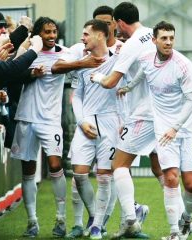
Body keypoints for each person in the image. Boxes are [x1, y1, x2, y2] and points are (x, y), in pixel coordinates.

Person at [89, 2, 170, 238]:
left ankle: (130, 220)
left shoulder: (131, 45)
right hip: (165, 113)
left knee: (119, 166)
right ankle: (183, 221)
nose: (117, 30)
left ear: (120, 22)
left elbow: (111, 81)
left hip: (144, 114)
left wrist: (96, 77)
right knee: (160, 168)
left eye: (116, 24)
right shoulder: (152, 35)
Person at [117, 21, 192, 240]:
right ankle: (175, 232)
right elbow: (143, 73)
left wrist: (176, 127)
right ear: (154, 40)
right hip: (163, 131)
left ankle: (187, 220)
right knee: (171, 178)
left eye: (171, 38)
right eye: (164, 38)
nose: (168, 42)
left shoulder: (184, 65)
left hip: (186, 129)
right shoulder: (146, 59)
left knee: (190, 185)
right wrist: (128, 87)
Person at [10, 17, 67, 238]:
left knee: (55, 165)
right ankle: (32, 222)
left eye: (54, 32)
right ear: (38, 34)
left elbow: (83, 61)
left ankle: (61, 219)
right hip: (26, 117)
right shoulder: (28, 53)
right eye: (47, 32)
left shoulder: (66, 53)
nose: (51, 36)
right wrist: (31, 74)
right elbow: (12, 75)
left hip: (50, 119)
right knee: (28, 170)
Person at [66, 19, 121, 240]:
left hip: (110, 124)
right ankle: (93, 217)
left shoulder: (118, 61)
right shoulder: (82, 63)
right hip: (86, 122)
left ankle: (97, 226)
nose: (82, 38)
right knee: (79, 174)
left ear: (100, 35)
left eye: (86, 34)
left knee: (105, 177)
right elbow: (76, 96)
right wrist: (81, 121)